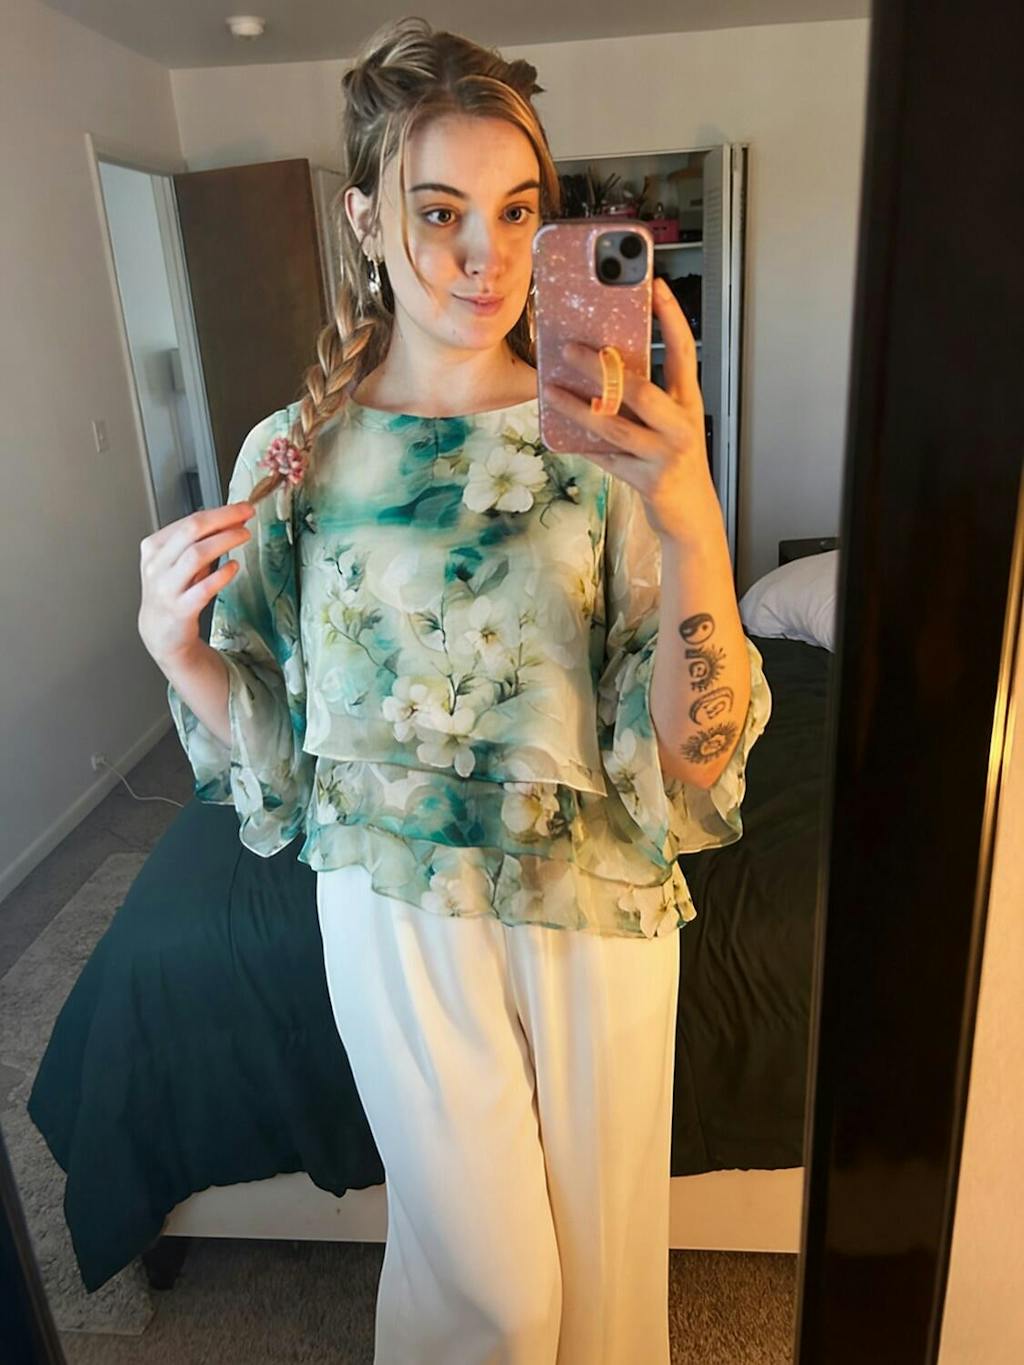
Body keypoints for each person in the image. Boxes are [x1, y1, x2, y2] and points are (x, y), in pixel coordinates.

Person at [137, 16, 772, 1364]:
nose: (487, 256)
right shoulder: (293, 454)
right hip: (391, 901)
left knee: (604, 1300)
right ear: (366, 222)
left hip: (596, 898)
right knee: (492, 1299)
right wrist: (179, 649)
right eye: (439, 214)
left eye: (517, 210)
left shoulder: (606, 440)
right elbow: (278, 760)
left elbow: (693, 754)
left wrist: (693, 517)